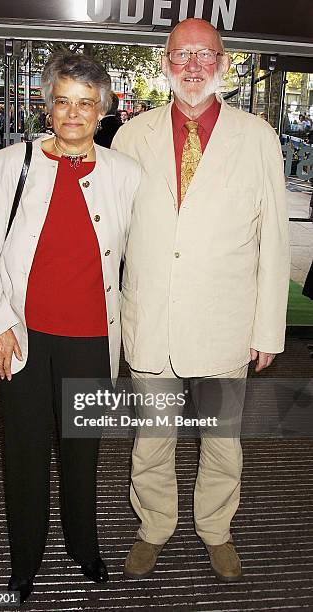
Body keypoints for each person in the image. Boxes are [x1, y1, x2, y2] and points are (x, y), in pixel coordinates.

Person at [112, 18, 290, 582]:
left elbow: (275, 240)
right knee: (152, 439)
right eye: (181, 54)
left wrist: (268, 329)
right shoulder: (130, 135)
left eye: (205, 55)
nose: (193, 65)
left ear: (223, 63)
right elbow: (109, 237)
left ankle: (216, 529)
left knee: (222, 442)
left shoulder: (257, 137)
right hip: (152, 322)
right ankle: (154, 527)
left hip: (224, 325)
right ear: (165, 62)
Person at [0, 51, 140, 604]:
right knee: (23, 450)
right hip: (22, 337)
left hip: (91, 339)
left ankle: (83, 544)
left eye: (86, 104)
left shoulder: (125, 175)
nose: (73, 114)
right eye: (62, 101)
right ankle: (25, 559)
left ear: (103, 110)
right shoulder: (8, 165)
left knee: (83, 450)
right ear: (48, 106)